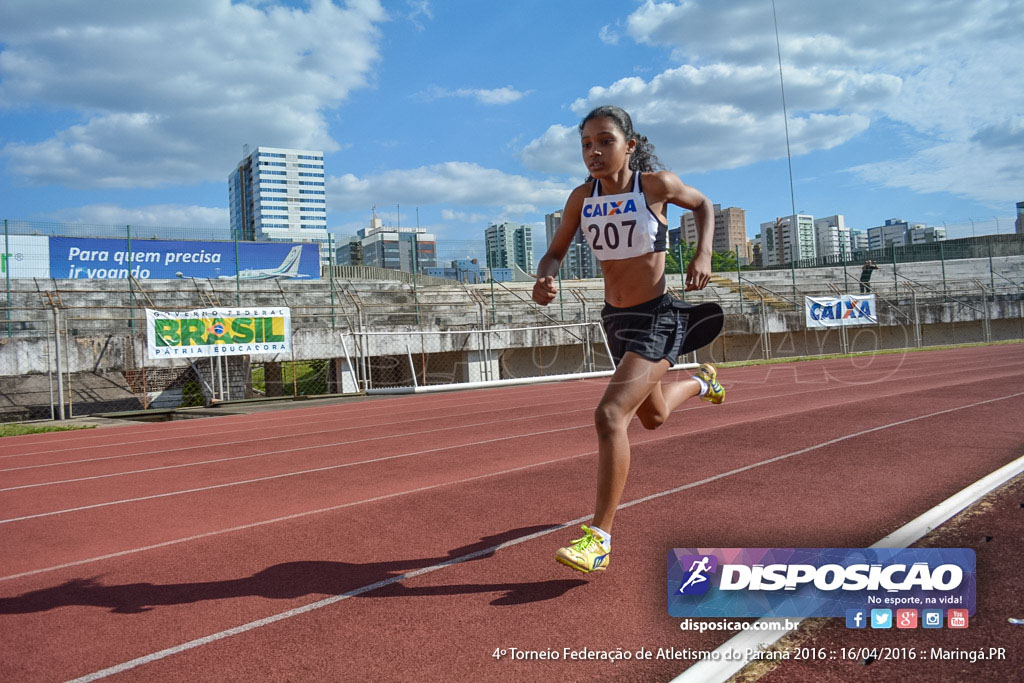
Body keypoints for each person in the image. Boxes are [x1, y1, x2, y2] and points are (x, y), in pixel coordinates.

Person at [532, 105, 725, 574]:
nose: (594, 152)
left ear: (629, 146)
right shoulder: (581, 197)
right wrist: (545, 277)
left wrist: (703, 254)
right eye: (586, 145)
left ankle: (598, 539)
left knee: (610, 414)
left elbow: (703, 205)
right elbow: (555, 252)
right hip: (616, 320)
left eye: (605, 142)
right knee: (653, 416)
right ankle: (703, 383)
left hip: (658, 317)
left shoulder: (655, 186)